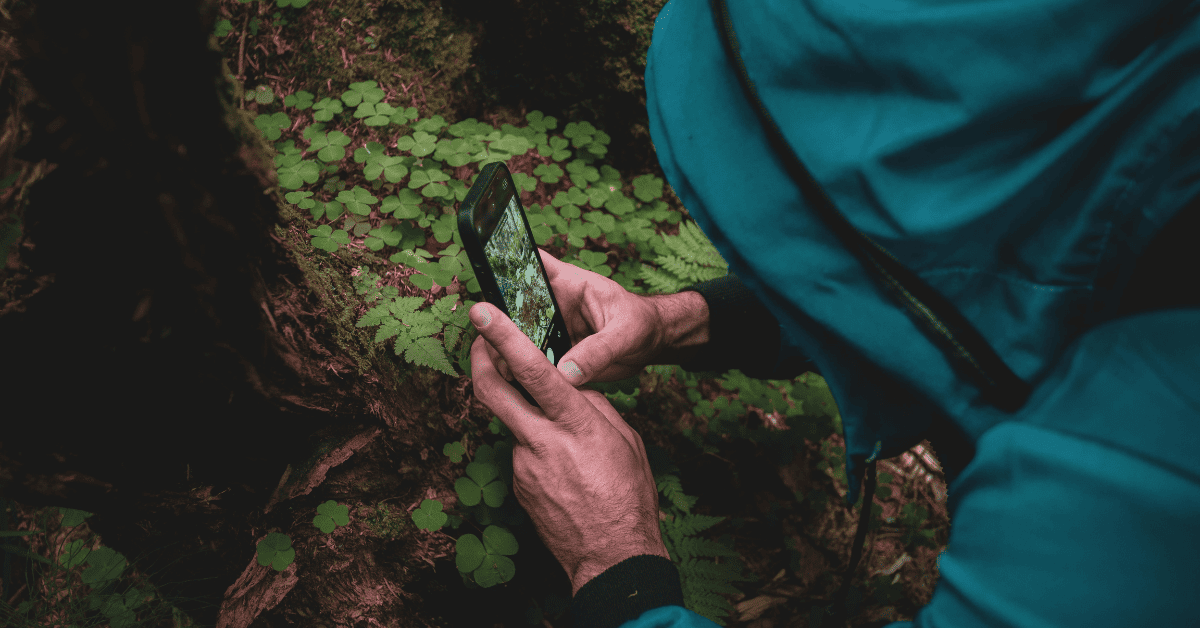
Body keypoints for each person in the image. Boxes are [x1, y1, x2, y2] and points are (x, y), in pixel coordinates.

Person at [469, 0, 1200, 627]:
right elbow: (966, 274)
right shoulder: (1124, 149)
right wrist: (676, 322)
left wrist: (617, 564)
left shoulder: (1133, 476)